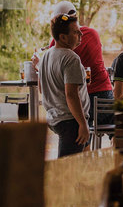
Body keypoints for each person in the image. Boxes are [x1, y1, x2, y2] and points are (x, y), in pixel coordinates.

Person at [48, 1, 114, 125]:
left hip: (80, 96)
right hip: (103, 91)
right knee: (115, 131)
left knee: (82, 137)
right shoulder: (93, 33)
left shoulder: (57, 41)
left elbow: (53, 66)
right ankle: (116, 143)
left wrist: (37, 64)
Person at [39, 13, 90, 157]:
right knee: (67, 173)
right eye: (75, 32)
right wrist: (82, 124)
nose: (81, 34)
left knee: (76, 167)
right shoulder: (71, 58)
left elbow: (42, 88)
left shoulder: (46, 56)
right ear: (63, 37)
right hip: (70, 121)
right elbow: (71, 95)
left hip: (55, 118)